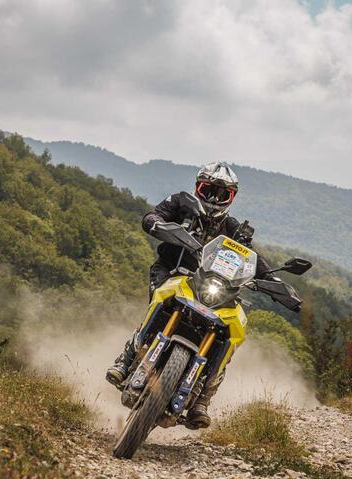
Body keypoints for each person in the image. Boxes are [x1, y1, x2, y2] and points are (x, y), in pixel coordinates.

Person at [105, 162, 279, 428]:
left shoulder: (233, 229)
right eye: (208, 190)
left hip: (211, 287)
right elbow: (153, 216)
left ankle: (202, 399)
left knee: (232, 330)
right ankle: (127, 358)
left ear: (232, 197)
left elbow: (251, 259)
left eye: (222, 194)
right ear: (198, 186)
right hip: (173, 272)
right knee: (159, 303)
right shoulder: (180, 202)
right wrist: (157, 225)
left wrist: (275, 282)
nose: (214, 198)